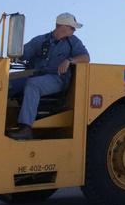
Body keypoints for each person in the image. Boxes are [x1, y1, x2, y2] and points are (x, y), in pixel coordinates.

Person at [9, 12, 90, 140]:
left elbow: (85, 57)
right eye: (72, 27)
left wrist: (69, 60)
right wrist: (13, 55)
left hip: (57, 80)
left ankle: (25, 127)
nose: (74, 30)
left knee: (33, 84)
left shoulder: (73, 42)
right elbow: (21, 53)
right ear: (62, 27)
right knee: (4, 83)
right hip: (34, 76)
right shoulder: (41, 40)